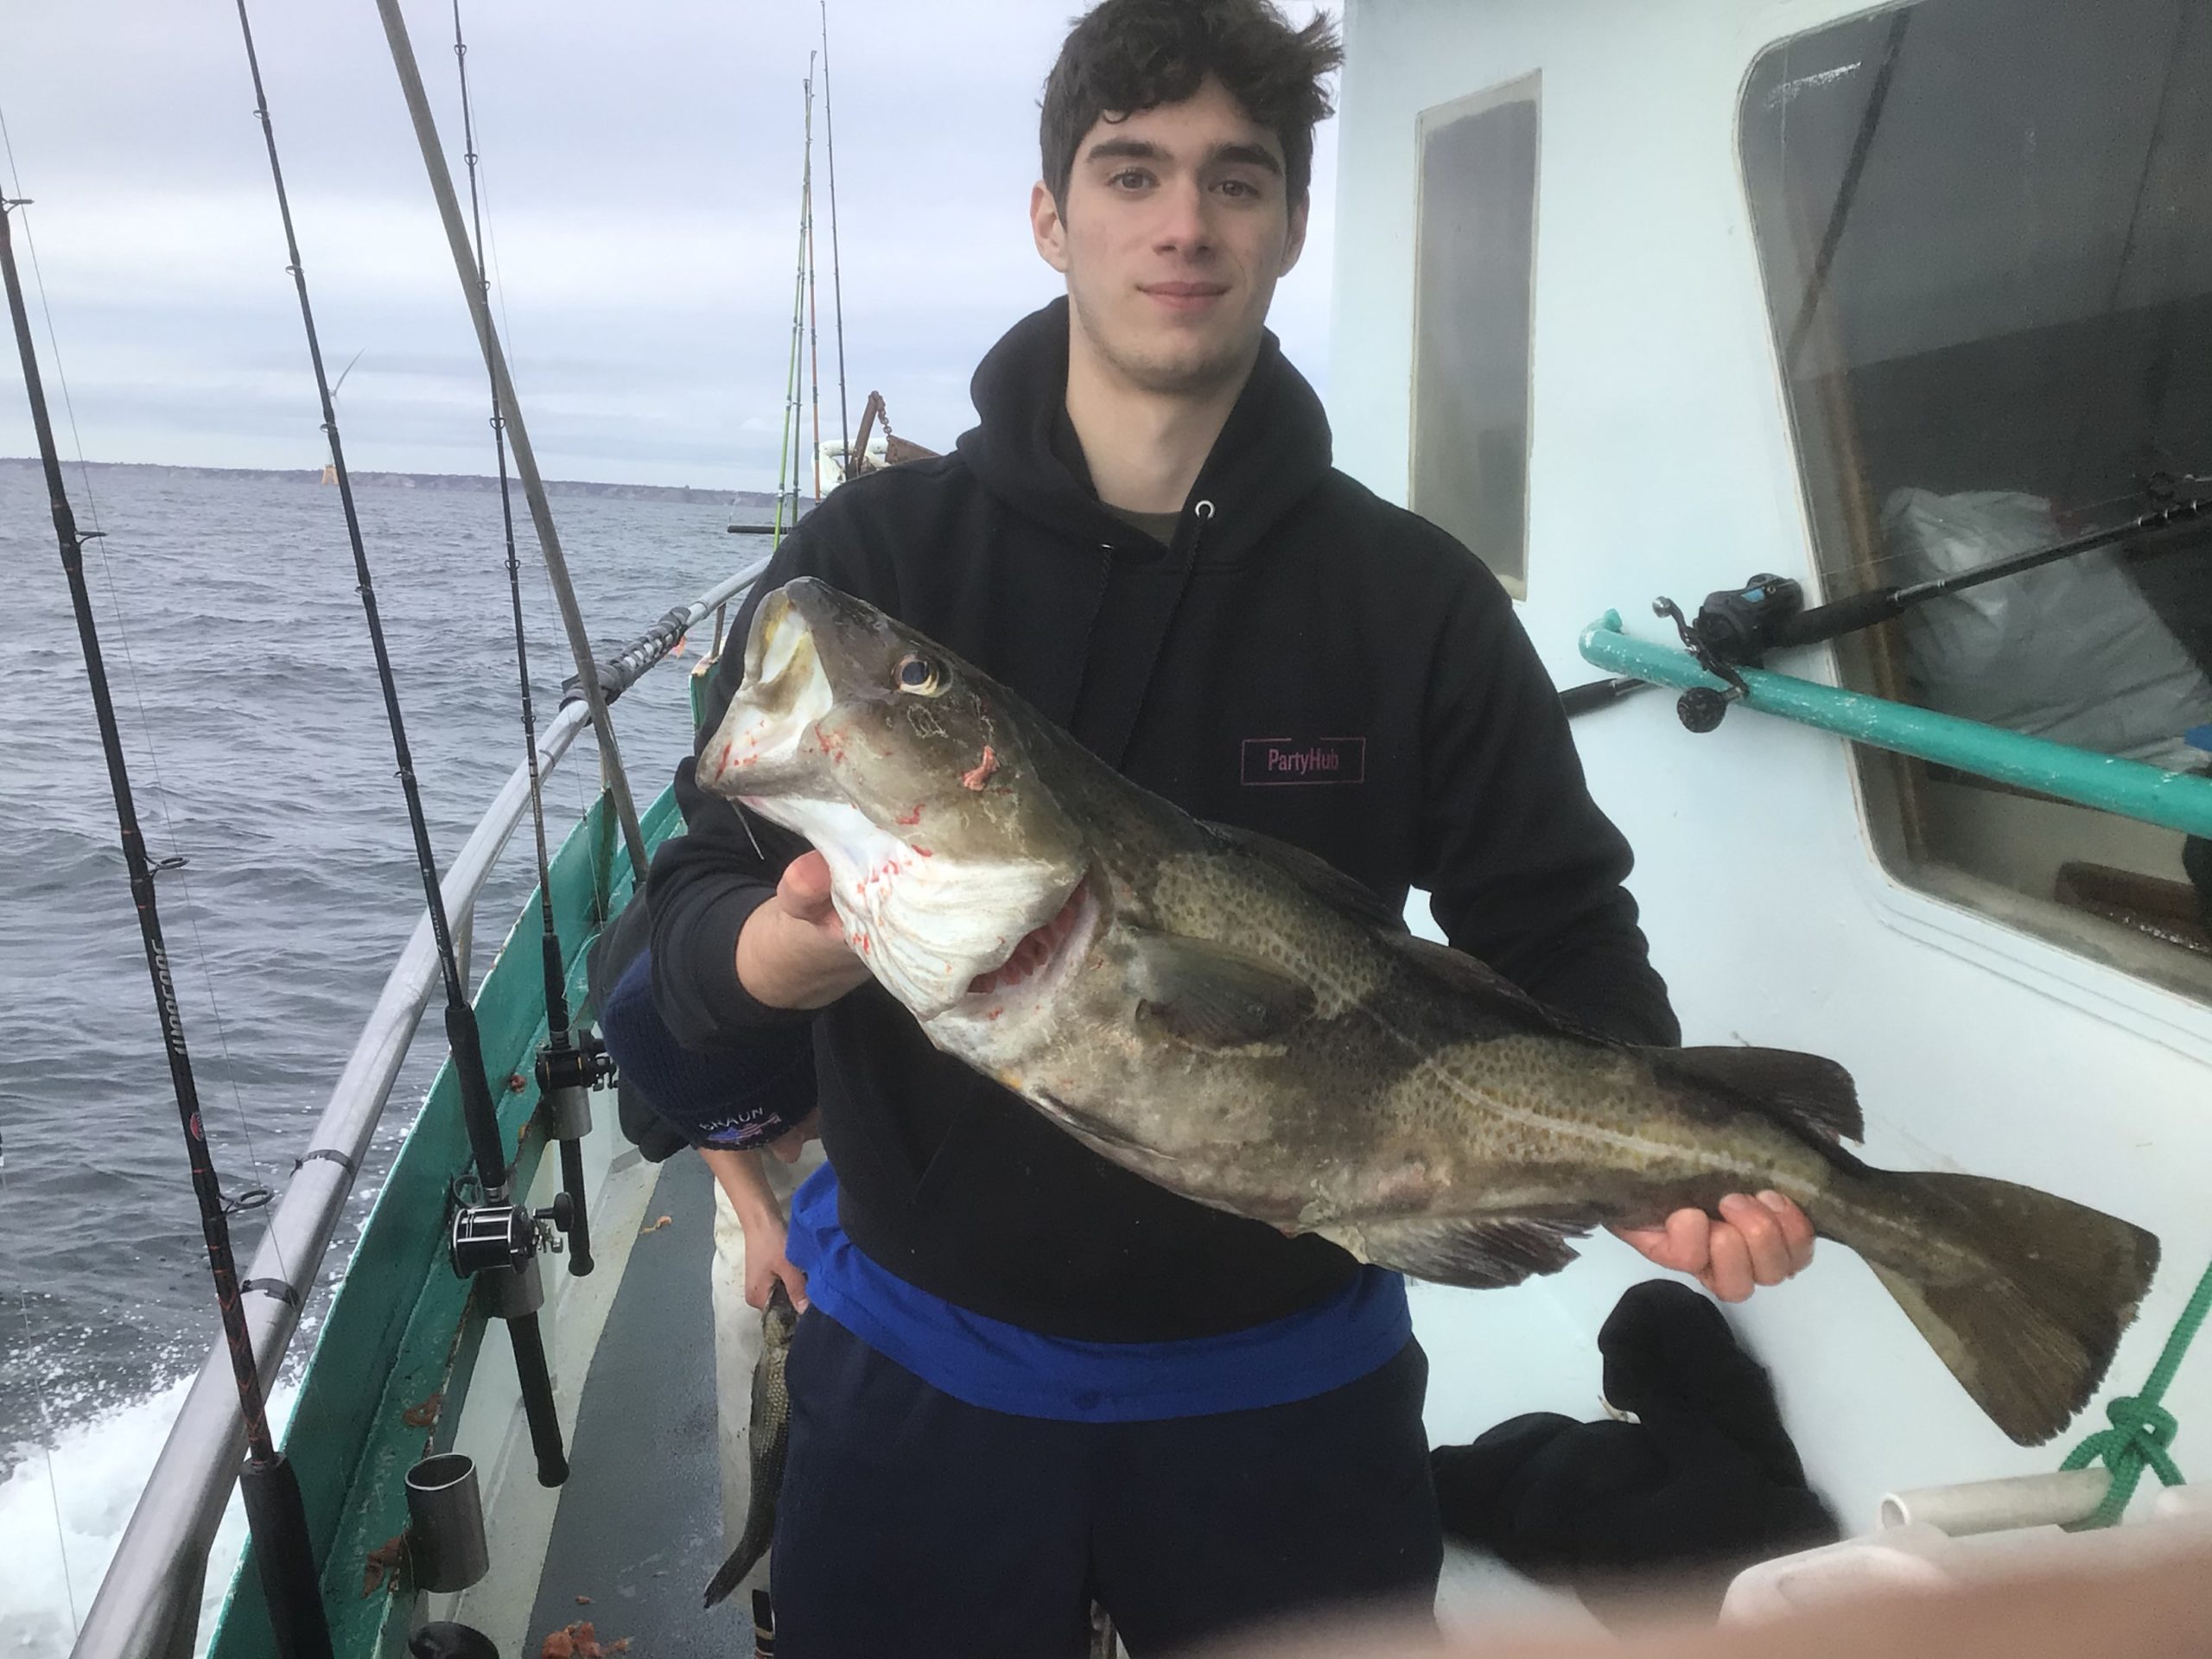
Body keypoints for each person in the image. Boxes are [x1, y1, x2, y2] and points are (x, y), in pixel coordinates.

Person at [645, 3, 1814, 1652]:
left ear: (1290, 226)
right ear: (1051, 217)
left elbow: (1555, 931)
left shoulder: (1411, 600)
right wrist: (779, 951)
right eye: (1131, 174)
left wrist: (1649, 1151)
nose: (1183, 224)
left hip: (1298, 1405)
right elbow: (673, 957)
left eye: (1234, 181)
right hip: (923, 1382)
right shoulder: (880, 560)